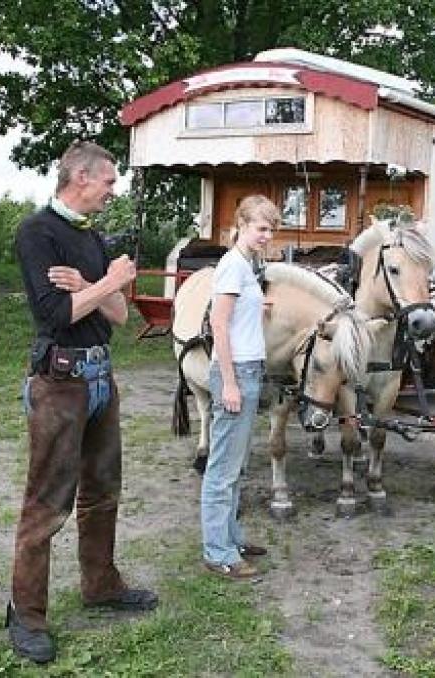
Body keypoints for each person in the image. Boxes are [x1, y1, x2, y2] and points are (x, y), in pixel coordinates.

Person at [7, 141, 157, 664]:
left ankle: (101, 586)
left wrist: (95, 284)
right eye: (109, 181)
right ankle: (25, 615)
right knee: (47, 503)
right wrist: (110, 282)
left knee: (103, 492)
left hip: (99, 380)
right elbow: (54, 315)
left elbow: (117, 315)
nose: (114, 191)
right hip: (60, 382)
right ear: (80, 177)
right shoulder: (37, 232)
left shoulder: (90, 239)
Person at [201, 195, 277, 580]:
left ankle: (231, 538)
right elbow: (219, 325)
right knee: (222, 469)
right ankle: (218, 552)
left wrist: (259, 307)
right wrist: (229, 383)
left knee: (236, 464)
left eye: (271, 229)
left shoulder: (247, 267)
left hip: (249, 369)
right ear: (243, 225)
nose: (267, 235)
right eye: (261, 228)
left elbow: (236, 318)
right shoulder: (233, 267)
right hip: (237, 374)